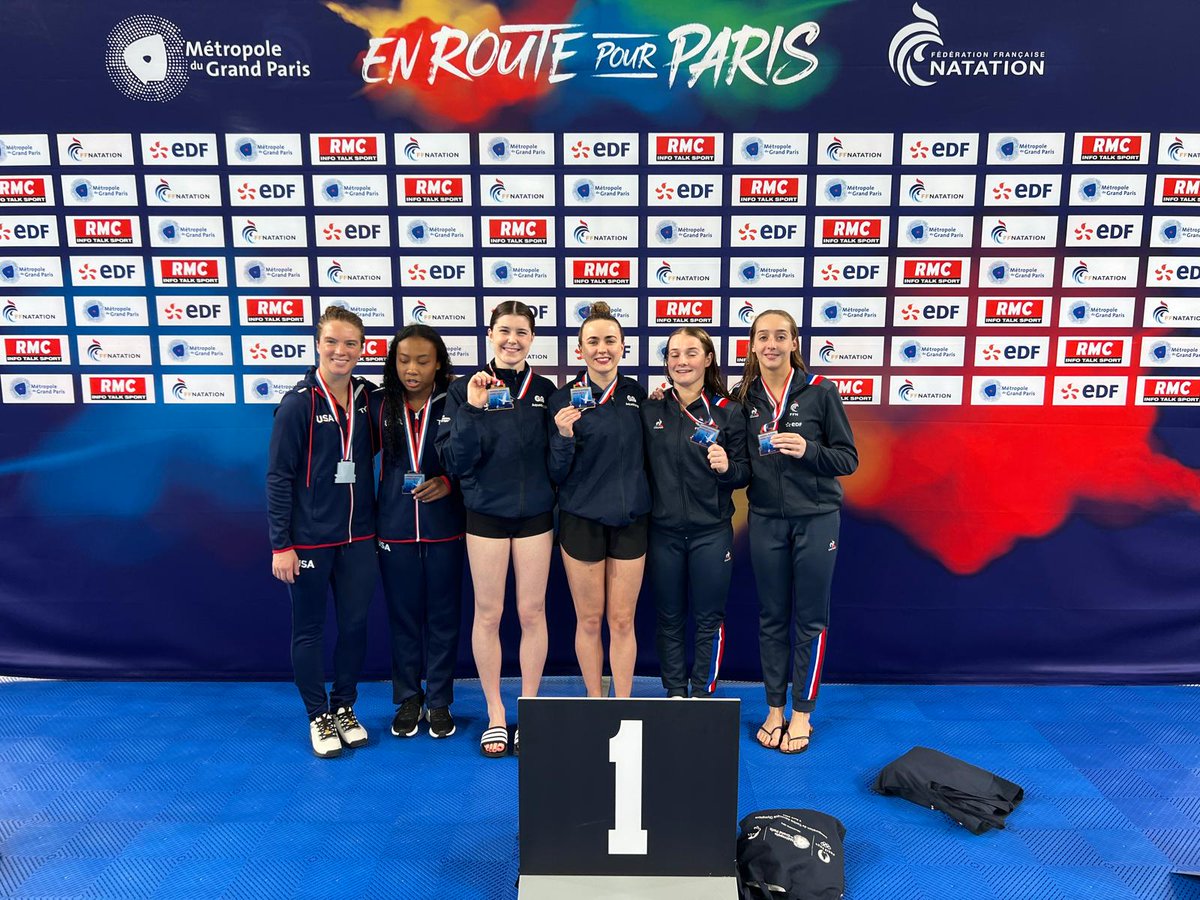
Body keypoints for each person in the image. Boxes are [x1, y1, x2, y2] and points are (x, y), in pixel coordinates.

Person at [436, 301, 557, 757]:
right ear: (489, 334)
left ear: (532, 338)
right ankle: (495, 715)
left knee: (532, 613)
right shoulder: (463, 390)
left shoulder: (546, 389)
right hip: (484, 516)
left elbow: (558, 459)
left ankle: (529, 710)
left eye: (521, 332)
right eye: (504, 330)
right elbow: (453, 460)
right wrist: (472, 408)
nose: (512, 339)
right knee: (488, 614)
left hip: (535, 518)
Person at [735, 309, 858, 754]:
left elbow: (848, 460)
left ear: (794, 343)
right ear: (751, 345)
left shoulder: (822, 392)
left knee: (809, 619)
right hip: (766, 518)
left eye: (780, 336)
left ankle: (802, 712)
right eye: (762, 336)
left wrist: (809, 450)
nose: (770, 344)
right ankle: (773, 708)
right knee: (771, 617)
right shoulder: (743, 396)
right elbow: (743, 464)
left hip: (816, 518)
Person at [267, 305, 378, 759]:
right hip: (309, 540)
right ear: (318, 344)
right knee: (310, 630)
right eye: (332, 341)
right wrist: (281, 545)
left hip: (359, 538)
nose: (341, 351)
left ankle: (345, 707)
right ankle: (317, 714)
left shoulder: (369, 398)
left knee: (354, 627)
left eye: (350, 343)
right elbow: (277, 476)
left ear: (362, 349)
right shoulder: (298, 404)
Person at [548, 301, 650, 698]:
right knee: (589, 620)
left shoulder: (638, 396)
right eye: (593, 341)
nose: (602, 348)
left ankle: (621, 703)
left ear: (623, 346)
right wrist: (562, 437)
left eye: (610, 340)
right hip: (581, 521)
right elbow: (555, 473)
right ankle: (594, 701)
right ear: (580, 350)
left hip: (631, 521)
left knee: (622, 620)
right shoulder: (563, 400)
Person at [641, 328, 750, 698]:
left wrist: (727, 468)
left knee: (709, 619)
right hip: (663, 533)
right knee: (668, 618)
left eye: (691, 353)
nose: (682, 361)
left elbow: (745, 472)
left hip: (711, 532)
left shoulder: (729, 412)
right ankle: (674, 691)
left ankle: (703, 693)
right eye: (674, 354)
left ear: (707, 359)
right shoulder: (650, 407)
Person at [370, 325, 465, 740]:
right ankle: (409, 697)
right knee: (404, 619)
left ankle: (440, 700)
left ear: (439, 363)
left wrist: (449, 482)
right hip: (394, 526)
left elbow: (476, 457)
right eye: (403, 360)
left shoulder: (457, 400)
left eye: (422, 361)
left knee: (444, 618)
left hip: (445, 527)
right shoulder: (378, 403)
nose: (412, 369)